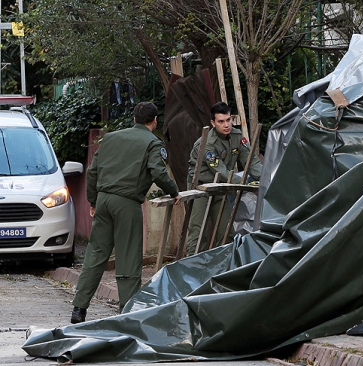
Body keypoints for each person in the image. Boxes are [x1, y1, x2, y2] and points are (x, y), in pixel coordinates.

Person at [71, 102, 182, 324]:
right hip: (127, 203)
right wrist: (173, 192)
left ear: (133, 120)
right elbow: (158, 173)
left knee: (95, 255)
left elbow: (92, 171)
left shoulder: (110, 138)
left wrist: (93, 200)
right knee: (128, 257)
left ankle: (79, 309)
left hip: (103, 201)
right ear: (155, 121)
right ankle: (127, 312)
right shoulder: (152, 142)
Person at [185, 102, 262, 255]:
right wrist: (244, 184)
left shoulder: (236, 136)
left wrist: (265, 180)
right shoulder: (207, 143)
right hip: (200, 188)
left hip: (220, 187)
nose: (226, 125)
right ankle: (193, 269)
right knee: (199, 233)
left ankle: (224, 269)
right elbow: (221, 171)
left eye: (228, 120)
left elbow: (251, 161)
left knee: (226, 231)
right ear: (213, 123)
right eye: (221, 121)